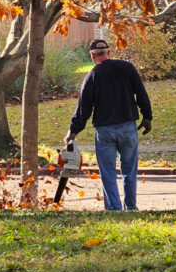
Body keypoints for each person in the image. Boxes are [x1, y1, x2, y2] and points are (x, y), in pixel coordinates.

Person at [65, 38, 153, 211]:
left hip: (105, 131)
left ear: (92, 56)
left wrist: (73, 132)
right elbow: (141, 94)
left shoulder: (92, 76)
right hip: (128, 127)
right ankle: (131, 207)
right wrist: (147, 117)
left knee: (108, 172)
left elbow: (84, 108)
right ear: (109, 52)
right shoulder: (127, 68)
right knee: (129, 170)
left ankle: (114, 209)